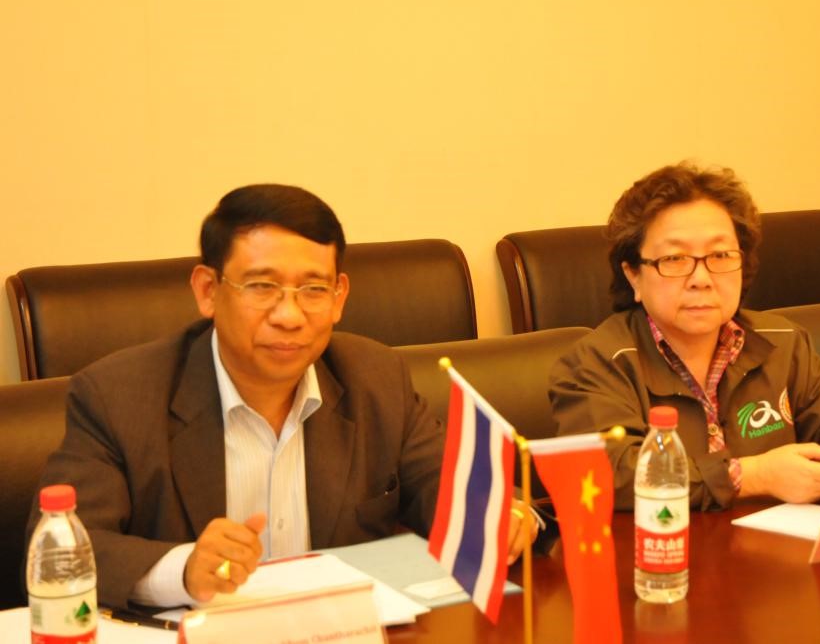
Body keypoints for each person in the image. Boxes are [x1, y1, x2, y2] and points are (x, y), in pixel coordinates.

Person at [33, 184, 535, 611]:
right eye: (262, 286)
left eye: (313, 289)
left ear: (339, 297)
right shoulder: (118, 396)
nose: (289, 316)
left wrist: (506, 517)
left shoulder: (375, 379)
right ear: (208, 290)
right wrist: (183, 569)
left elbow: (453, 490)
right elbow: (60, 553)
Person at [548, 163, 820, 511]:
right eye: (674, 259)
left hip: (776, 547)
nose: (701, 278)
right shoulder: (595, 363)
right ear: (633, 276)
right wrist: (751, 476)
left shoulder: (784, 343)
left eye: (721, 255)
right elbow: (606, 473)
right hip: (658, 550)